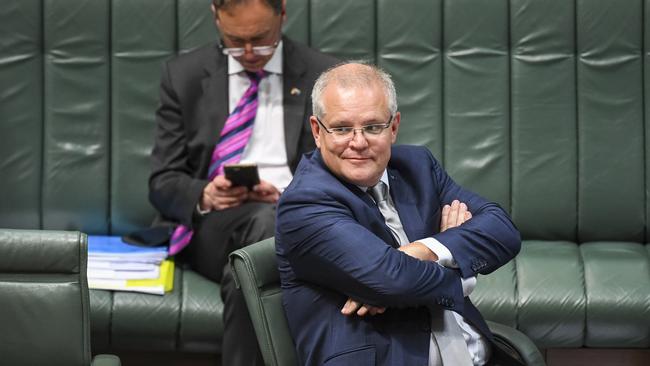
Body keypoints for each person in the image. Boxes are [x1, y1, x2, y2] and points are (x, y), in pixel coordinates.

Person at [275, 63, 523, 365]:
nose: (358, 142)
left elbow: (502, 229)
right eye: (341, 128)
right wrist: (457, 263)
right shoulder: (304, 202)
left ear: (393, 127)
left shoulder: (417, 166)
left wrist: (421, 250)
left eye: (372, 126)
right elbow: (392, 280)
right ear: (317, 131)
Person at [148, 0, 337, 364]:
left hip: (301, 216)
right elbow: (162, 182)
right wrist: (204, 193)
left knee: (261, 246)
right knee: (266, 228)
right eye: (235, 41)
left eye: (262, 39)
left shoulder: (323, 76)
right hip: (216, 226)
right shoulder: (183, 76)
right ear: (215, 16)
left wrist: (288, 196)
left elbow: (346, 172)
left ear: (282, 13)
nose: (249, 53)